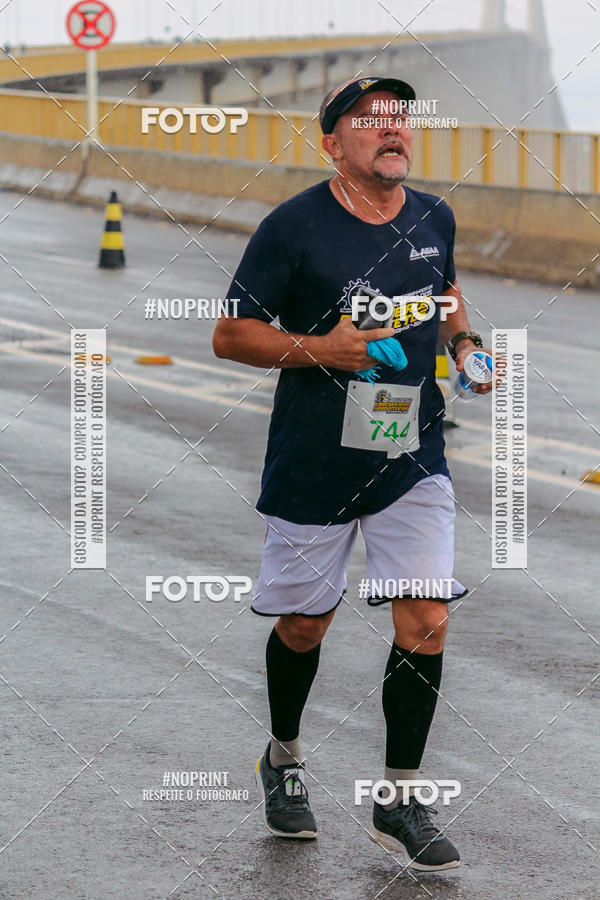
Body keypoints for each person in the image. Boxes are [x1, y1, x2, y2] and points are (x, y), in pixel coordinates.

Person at [213, 75, 492, 871]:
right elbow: (232, 336)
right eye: (369, 122)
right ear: (333, 142)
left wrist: (467, 348)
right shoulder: (292, 226)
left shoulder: (435, 216)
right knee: (306, 624)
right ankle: (284, 757)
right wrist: (320, 350)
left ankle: (398, 796)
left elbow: (445, 299)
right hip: (315, 458)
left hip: (412, 454)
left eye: (399, 119)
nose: (391, 130)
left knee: (427, 619)